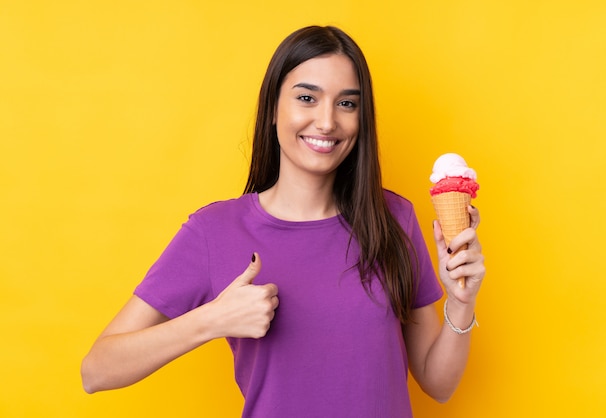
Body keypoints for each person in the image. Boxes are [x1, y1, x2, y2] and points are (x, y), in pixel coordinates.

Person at [81, 25, 485, 417]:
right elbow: (96, 370)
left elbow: (439, 384)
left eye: (347, 103)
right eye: (307, 98)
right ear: (273, 108)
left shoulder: (394, 219)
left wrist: (461, 301)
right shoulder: (215, 231)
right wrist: (211, 320)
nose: (327, 122)